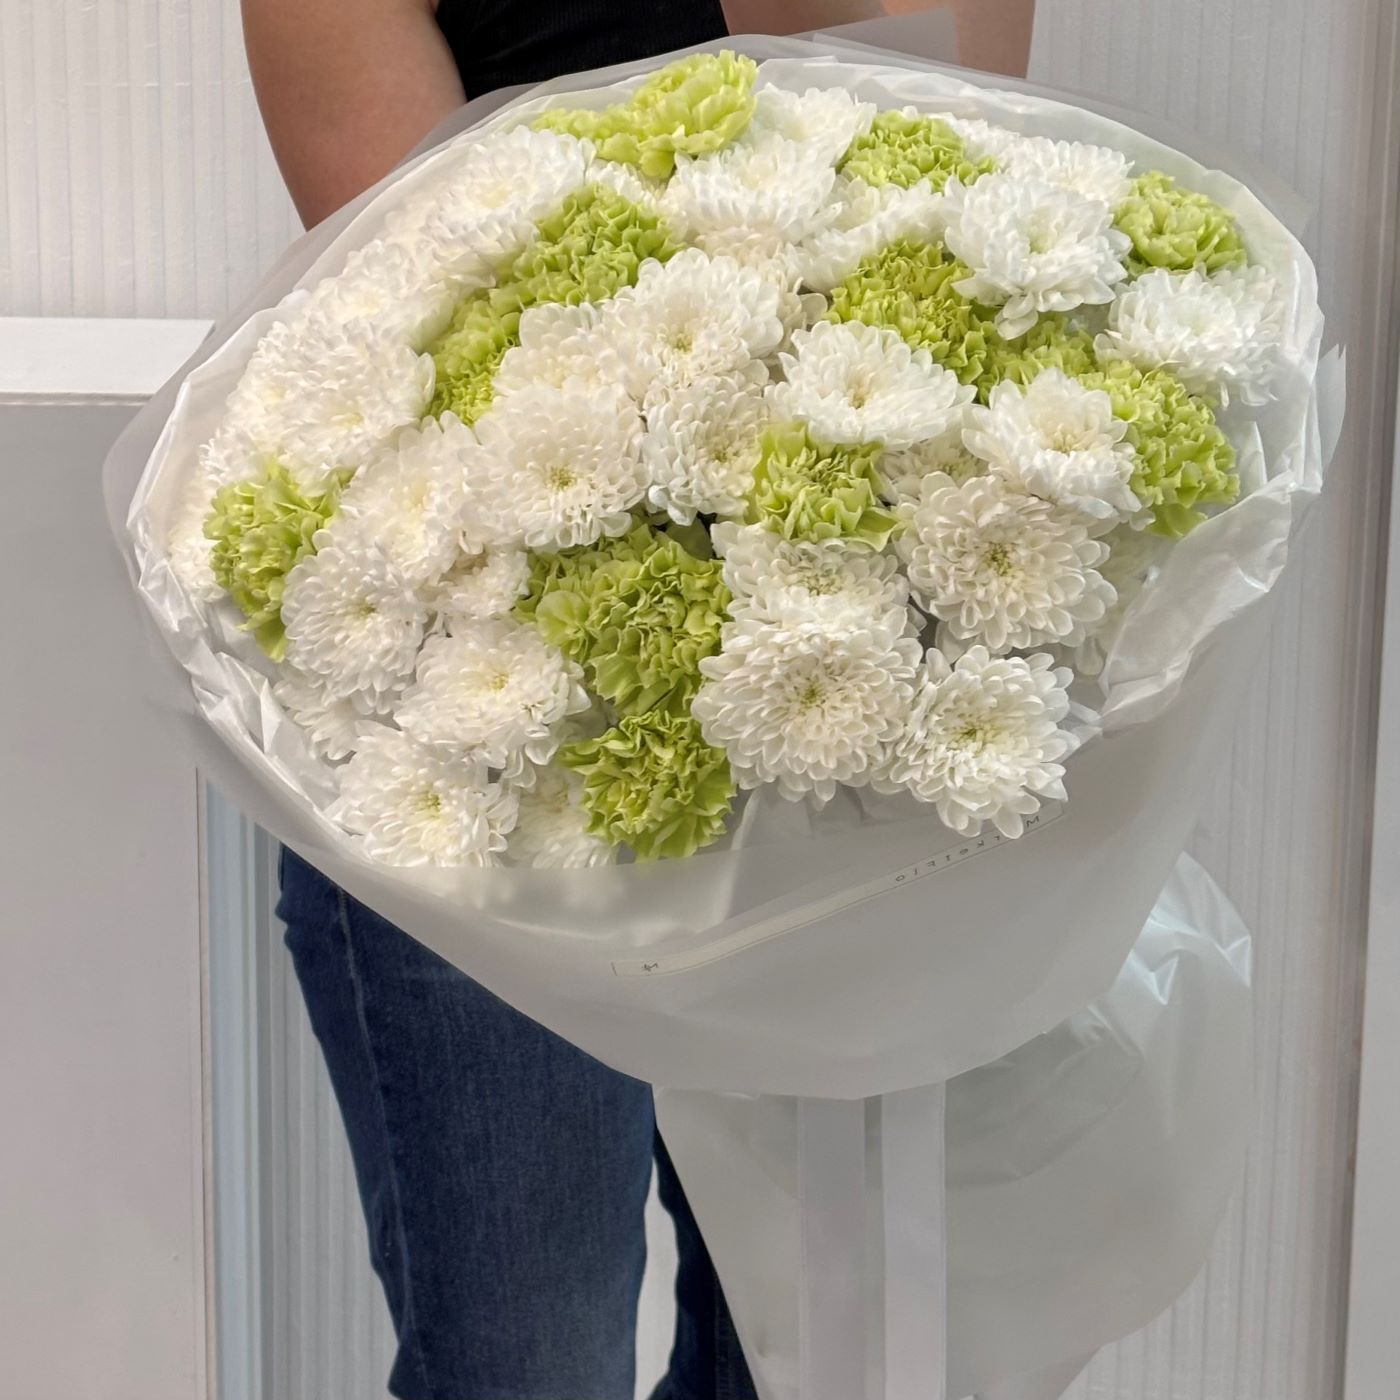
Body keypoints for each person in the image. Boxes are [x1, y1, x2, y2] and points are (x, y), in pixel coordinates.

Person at [241, 3, 1033, 1397]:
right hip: (482, 742)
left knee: (798, 1352)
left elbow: (962, 201)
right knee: (524, 1361)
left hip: (826, 691)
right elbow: (422, 327)